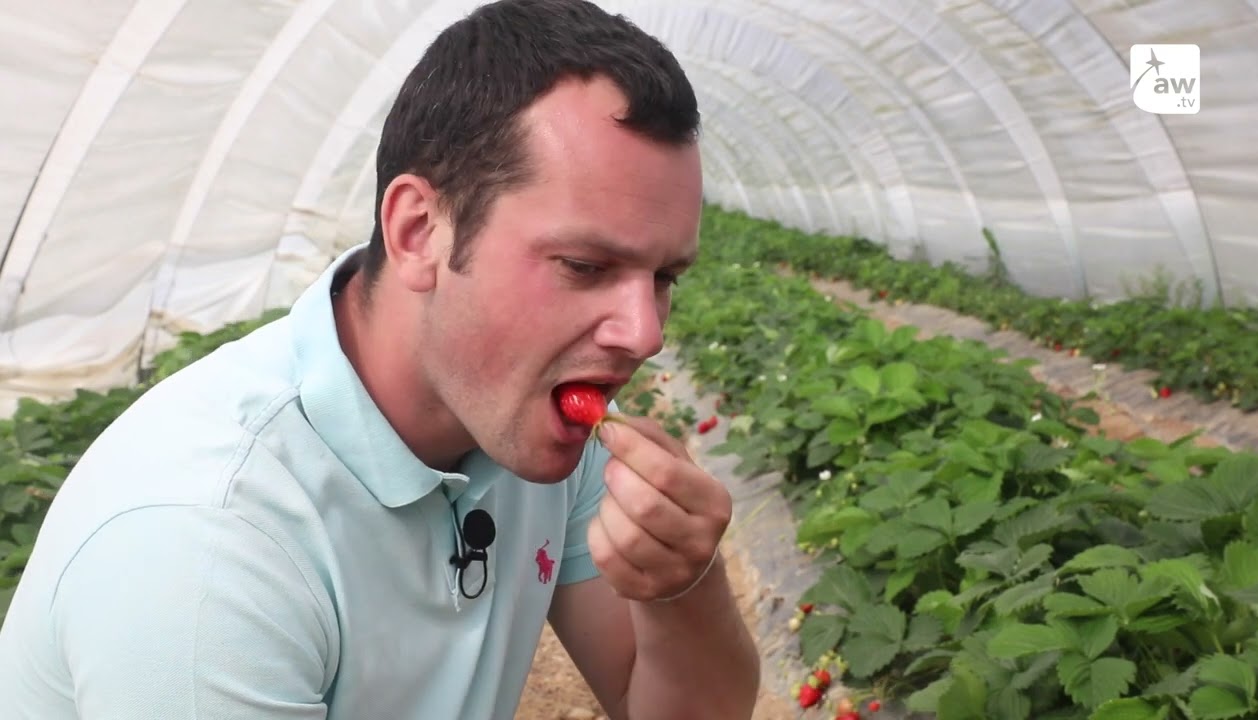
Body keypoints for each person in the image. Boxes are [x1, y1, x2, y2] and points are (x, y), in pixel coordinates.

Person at [0, 0, 762, 717]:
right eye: (584, 266)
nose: (645, 332)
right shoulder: (205, 550)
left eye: (664, 278)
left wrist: (682, 587)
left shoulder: (528, 422)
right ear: (418, 231)